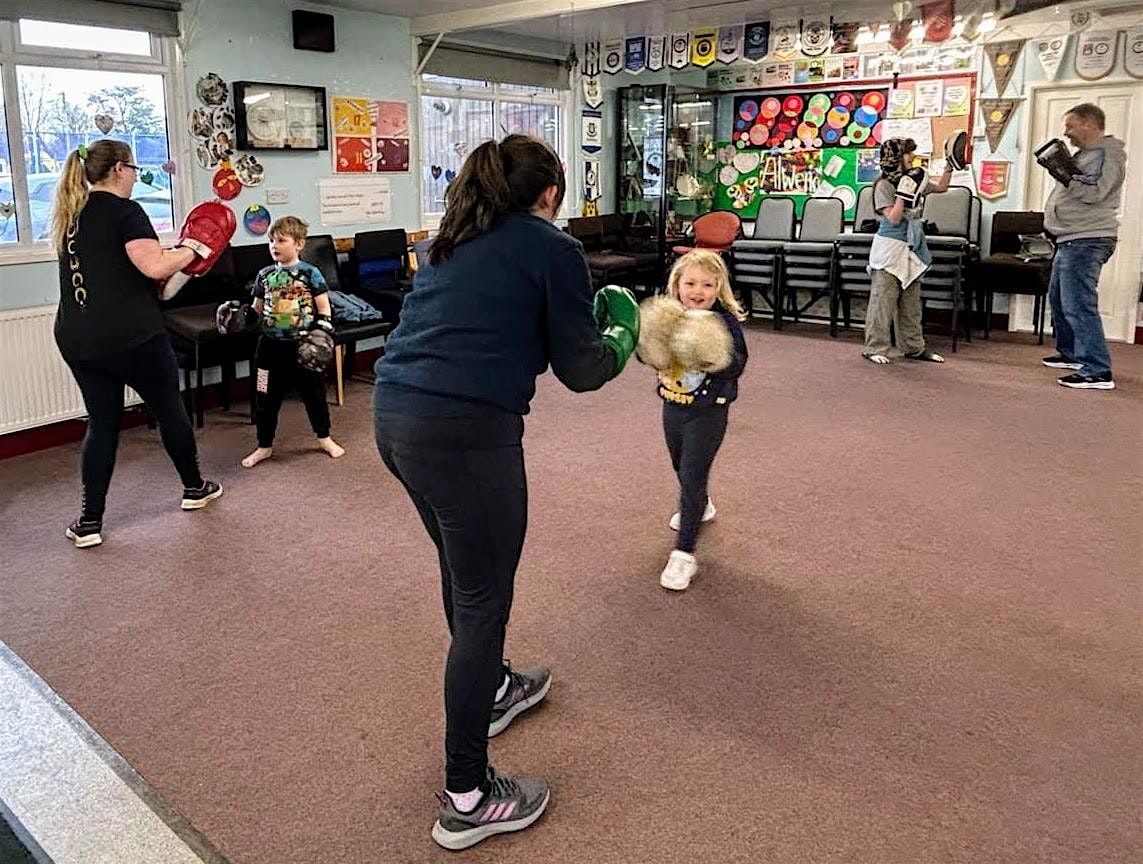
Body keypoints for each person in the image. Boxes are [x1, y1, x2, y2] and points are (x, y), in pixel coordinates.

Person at [371, 134, 638, 851]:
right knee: (483, 597)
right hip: (464, 434)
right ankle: (466, 796)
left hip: (394, 419)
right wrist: (619, 331)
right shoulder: (551, 247)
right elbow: (581, 370)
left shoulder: (447, 240)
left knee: (463, 573)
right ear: (548, 194)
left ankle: (491, 687)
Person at [50, 139, 222, 549]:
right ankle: (194, 489)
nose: (135, 176)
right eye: (133, 168)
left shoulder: (70, 213)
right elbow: (155, 264)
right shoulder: (126, 211)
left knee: (103, 423)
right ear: (118, 170)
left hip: (77, 338)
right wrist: (194, 248)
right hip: (131, 337)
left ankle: (89, 522)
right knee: (168, 410)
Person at [641, 250, 748, 591]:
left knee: (691, 474)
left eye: (707, 283)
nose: (697, 290)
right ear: (677, 284)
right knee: (679, 463)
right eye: (690, 282)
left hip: (709, 410)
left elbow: (737, 364)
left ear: (719, 287)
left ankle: (684, 554)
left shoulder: (724, 321)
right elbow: (650, 354)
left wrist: (710, 355)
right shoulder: (670, 317)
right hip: (673, 404)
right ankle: (701, 503)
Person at [228, 215, 345, 467]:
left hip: (303, 347)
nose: (274, 246)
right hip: (268, 348)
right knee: (264, 395)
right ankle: (264, 445)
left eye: (281, 240)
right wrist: (238, 316)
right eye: (271, 241)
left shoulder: (310, 273)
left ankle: (324, 437)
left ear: (299, 244)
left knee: (314, 393)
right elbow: (256, 310)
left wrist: (322, 332)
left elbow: (324, 309)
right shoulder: (264, 275)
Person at [1039, 103, 1126, 390]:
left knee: (1079, 304)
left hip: (1088, 239)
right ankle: (1072, 354)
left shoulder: (1106, 155)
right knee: (1061, 301)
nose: (1066, 133)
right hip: (1070, 238)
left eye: (1071, 126)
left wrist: (1063, 173)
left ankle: (1097, 371)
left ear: (1089, 124)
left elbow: (1094, 192)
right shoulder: (1087, 154)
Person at [863, 137, 953, 365]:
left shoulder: (916, 178)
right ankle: (875, 347)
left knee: (911, 304)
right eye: (907, 153)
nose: (912, 157)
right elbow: (893, 219)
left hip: (912, 248)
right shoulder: (882, 185)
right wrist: (903, 195)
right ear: (895, 158)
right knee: (883, 302)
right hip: (890, 250)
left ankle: (914, 347)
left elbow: (941, 187)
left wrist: (950, 166)